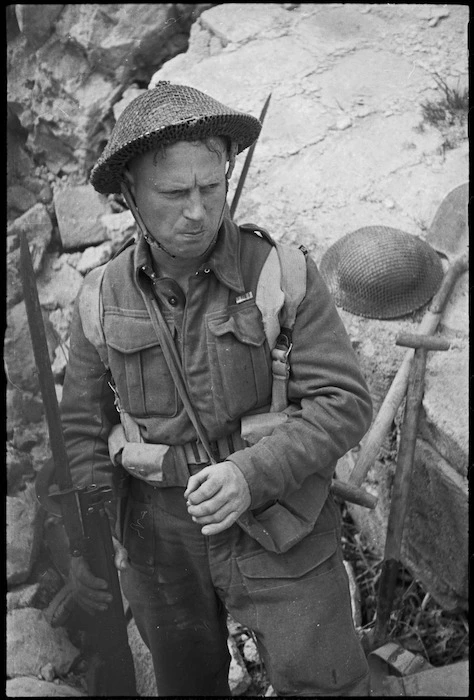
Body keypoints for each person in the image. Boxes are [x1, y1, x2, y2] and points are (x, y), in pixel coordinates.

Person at [61, 81, 373, 696]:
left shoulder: (281, 272)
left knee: (325, 682)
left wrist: (249, 474)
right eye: (175, 193)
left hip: (280, 516)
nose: (199, 211)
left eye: (212, 186)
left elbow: (345, 402)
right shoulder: (99, 298)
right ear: (129, 195)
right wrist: (85, 545)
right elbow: (82, 431)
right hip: (160, 534)